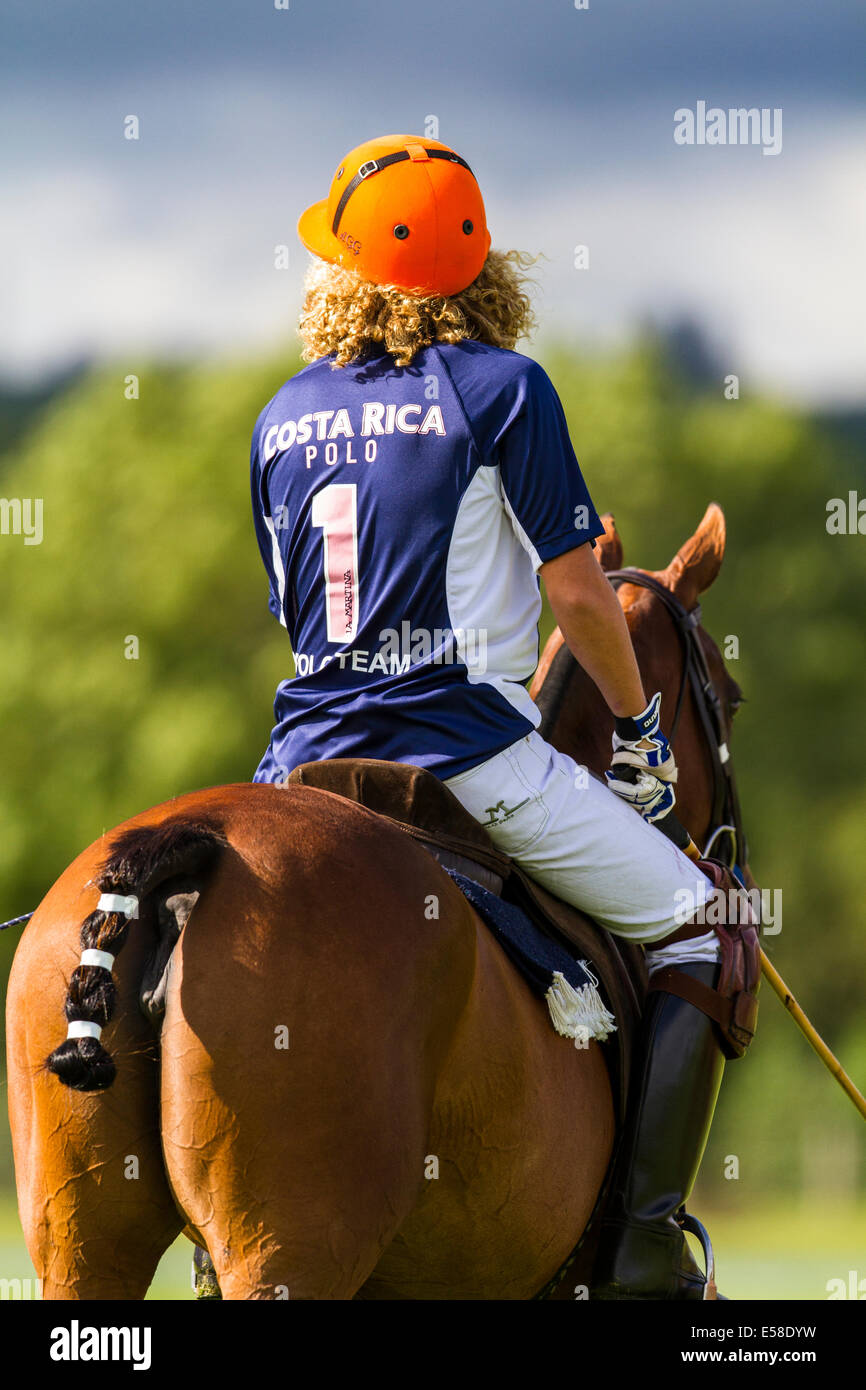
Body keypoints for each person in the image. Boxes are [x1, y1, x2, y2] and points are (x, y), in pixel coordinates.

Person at [249, 134, 754, 1299]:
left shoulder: (282, 413)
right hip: (462, 753)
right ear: (484, 270)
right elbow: (576, 593)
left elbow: (292, 609)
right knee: (701, 922)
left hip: (299, 762)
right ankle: (638, 1247)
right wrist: (633, 731)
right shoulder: (500, 387)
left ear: (346, 273)